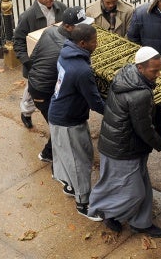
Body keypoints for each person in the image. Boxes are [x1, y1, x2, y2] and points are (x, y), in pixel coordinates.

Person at [88, 46, 161, 238]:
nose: (158, 74)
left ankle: (141, 223)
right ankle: (105, 212)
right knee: (134, 193)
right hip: (122, 150)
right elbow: (145, 129)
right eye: (154, 70)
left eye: (159, 69)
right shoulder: (141, 94)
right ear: (140, 68)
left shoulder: (126, 74)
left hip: (123, 144)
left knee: (142, 185)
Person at [48, 24, 105, 221]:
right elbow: (96, 103)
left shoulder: (66, 52)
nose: (97, 45)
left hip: (58, 112)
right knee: (80, 160)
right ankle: (84, 203)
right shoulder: (82, 70)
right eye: (94, 42)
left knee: (67, 154)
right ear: (82, 43)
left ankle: (70, 186)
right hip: (69, 120)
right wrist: (116, 113)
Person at [28, 6, 94, 163]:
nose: (87, 28)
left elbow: (33, 56)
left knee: (57, 126)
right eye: (81, 26)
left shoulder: (50, 31)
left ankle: (49, 153)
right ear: (68, 27)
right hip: (43, 91)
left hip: (37, 84)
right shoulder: (69, 48)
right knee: (59, 127)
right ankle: (51, 157)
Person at [13, 0, 67, 130]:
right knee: (31, 90)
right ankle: (26, 113)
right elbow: (18, 42)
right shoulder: (27, 16)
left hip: (57, 57)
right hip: (36, 63)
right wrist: (28, 63)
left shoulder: (61, 8)